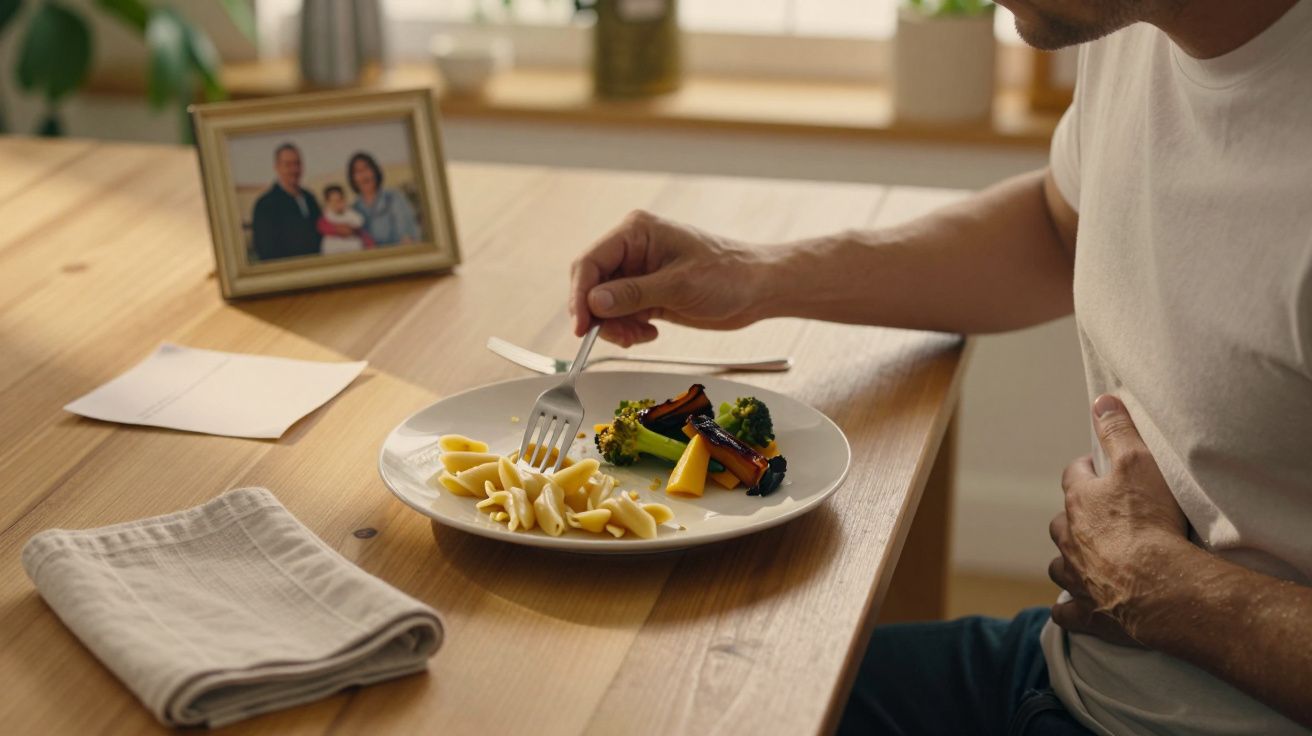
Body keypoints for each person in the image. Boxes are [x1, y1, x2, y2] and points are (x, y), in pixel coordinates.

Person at [567, 1, 1312, 734]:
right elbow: (1058, 229)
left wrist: (1163, 589)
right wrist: (755, 274)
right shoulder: (1133, 26)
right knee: (647, 705)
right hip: (1070, 673)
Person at [250, 143, 322, 261]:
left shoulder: (310, 198)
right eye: (288, 165)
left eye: (297, 163)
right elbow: (266, 250)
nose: (294, 169)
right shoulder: (265, 205)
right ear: (277, 167)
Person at [347, 151, 421, 246]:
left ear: (375, 171)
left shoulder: (394, 198)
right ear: (353, 179)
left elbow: (408, 236)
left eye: (366, 168)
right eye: (357, 171)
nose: (363, 174)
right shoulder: (354, 209)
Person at [316, 184, 374, 256]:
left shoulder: (351, 214)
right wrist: (337, 229)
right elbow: (322, 227)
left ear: (344, 200)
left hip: (352, 247)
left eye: (339, 200)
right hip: (333, 249)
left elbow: (360, 228)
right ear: (327, 203)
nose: (336, 204)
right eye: (333, 201)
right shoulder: (326, 217)